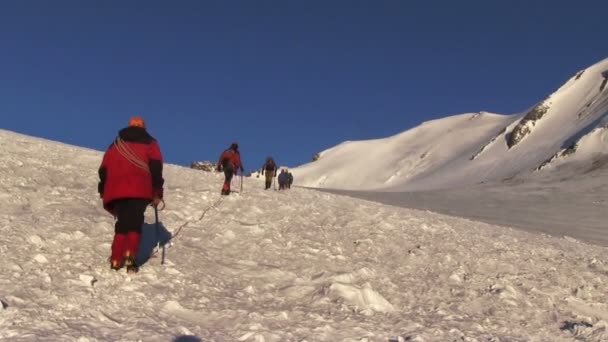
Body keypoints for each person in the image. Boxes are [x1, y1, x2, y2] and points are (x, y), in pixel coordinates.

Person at [98, 115, 164, 273]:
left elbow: (103, 169)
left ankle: (115, 259)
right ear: (143, 127)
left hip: (116, 190)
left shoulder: (115, 144)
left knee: (122, 223)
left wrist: (102, 189)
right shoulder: (151, 143)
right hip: (139, 188)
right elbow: (156, 167)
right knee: (134, 222)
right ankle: (129, 256)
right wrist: (157, 191)